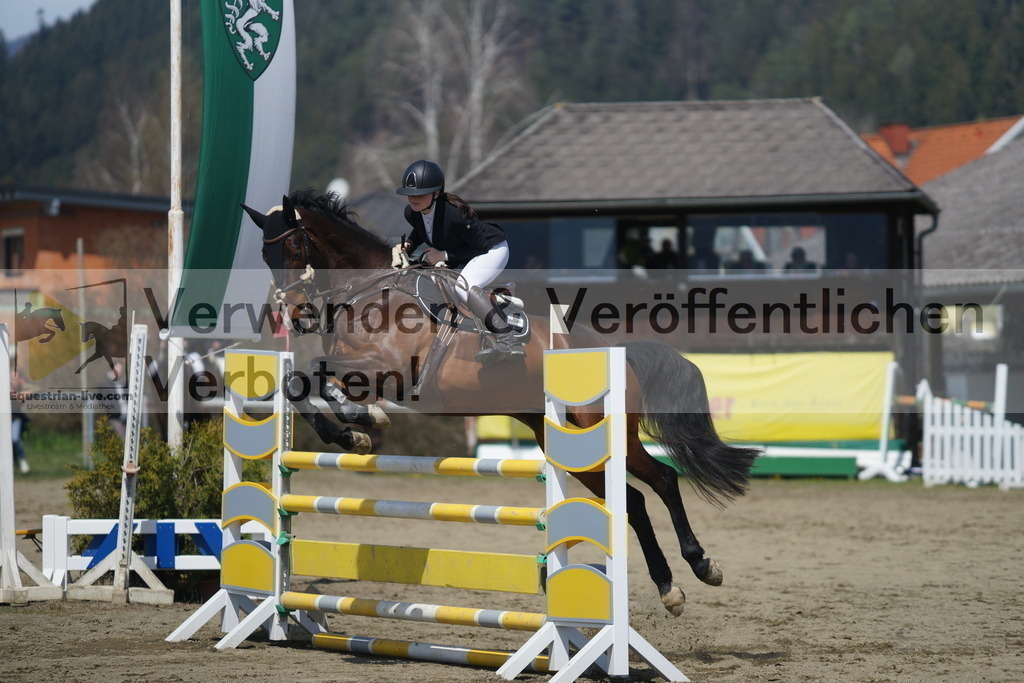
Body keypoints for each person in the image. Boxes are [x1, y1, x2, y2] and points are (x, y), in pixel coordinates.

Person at [394, 159, 523, 365]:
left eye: (420, 194)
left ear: (436, 193)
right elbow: (420, 231)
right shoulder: (412, 212)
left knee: (466, 287)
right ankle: (495, 296)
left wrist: (443, 256)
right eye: (410, 194)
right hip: (466, 252)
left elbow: (479, 247)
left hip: (492, 249)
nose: (413, 199)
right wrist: (406, 246)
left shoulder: (453, 214)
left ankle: (508, 340)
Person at [10, 372, 30, 474]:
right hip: (4, 419)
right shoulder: (5, 386)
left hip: (16, 418)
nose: (13, 379)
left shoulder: (22, 387)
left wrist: (28, 391)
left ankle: (22, 460)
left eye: (16, 377)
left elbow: (37, 389)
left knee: (15, 439)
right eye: (11, 377)